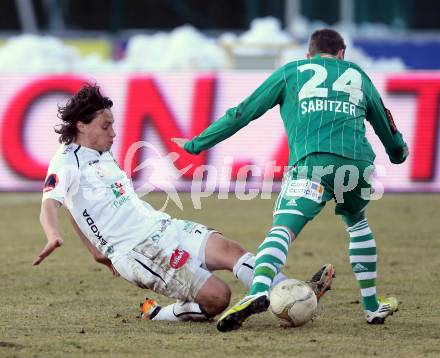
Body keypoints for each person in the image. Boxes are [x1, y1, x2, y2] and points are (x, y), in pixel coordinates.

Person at [33, 84, 334, 323]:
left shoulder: (100, 151)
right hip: (139, 252)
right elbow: (53, 204)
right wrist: (52, 234)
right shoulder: (65, 162)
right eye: (105, 126)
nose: (113, 133)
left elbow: (75, 207)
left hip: (162, 226)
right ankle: (159, 312)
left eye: (112, 125)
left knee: (231, 250)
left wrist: (94, 251)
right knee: (219, 297)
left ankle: (292, 291)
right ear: (81, 126)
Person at [173, 28, 407, 331]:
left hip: (312, 163)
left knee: (283, 230)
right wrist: (398, 152)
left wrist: (196, 144)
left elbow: (241, 113)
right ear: (342, 54)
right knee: (357, 222)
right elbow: (385, 123)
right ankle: (372, 307)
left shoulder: (292, 71)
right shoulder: (357, 74)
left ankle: (258, 291)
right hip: (357, 164)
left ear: (308, 54)